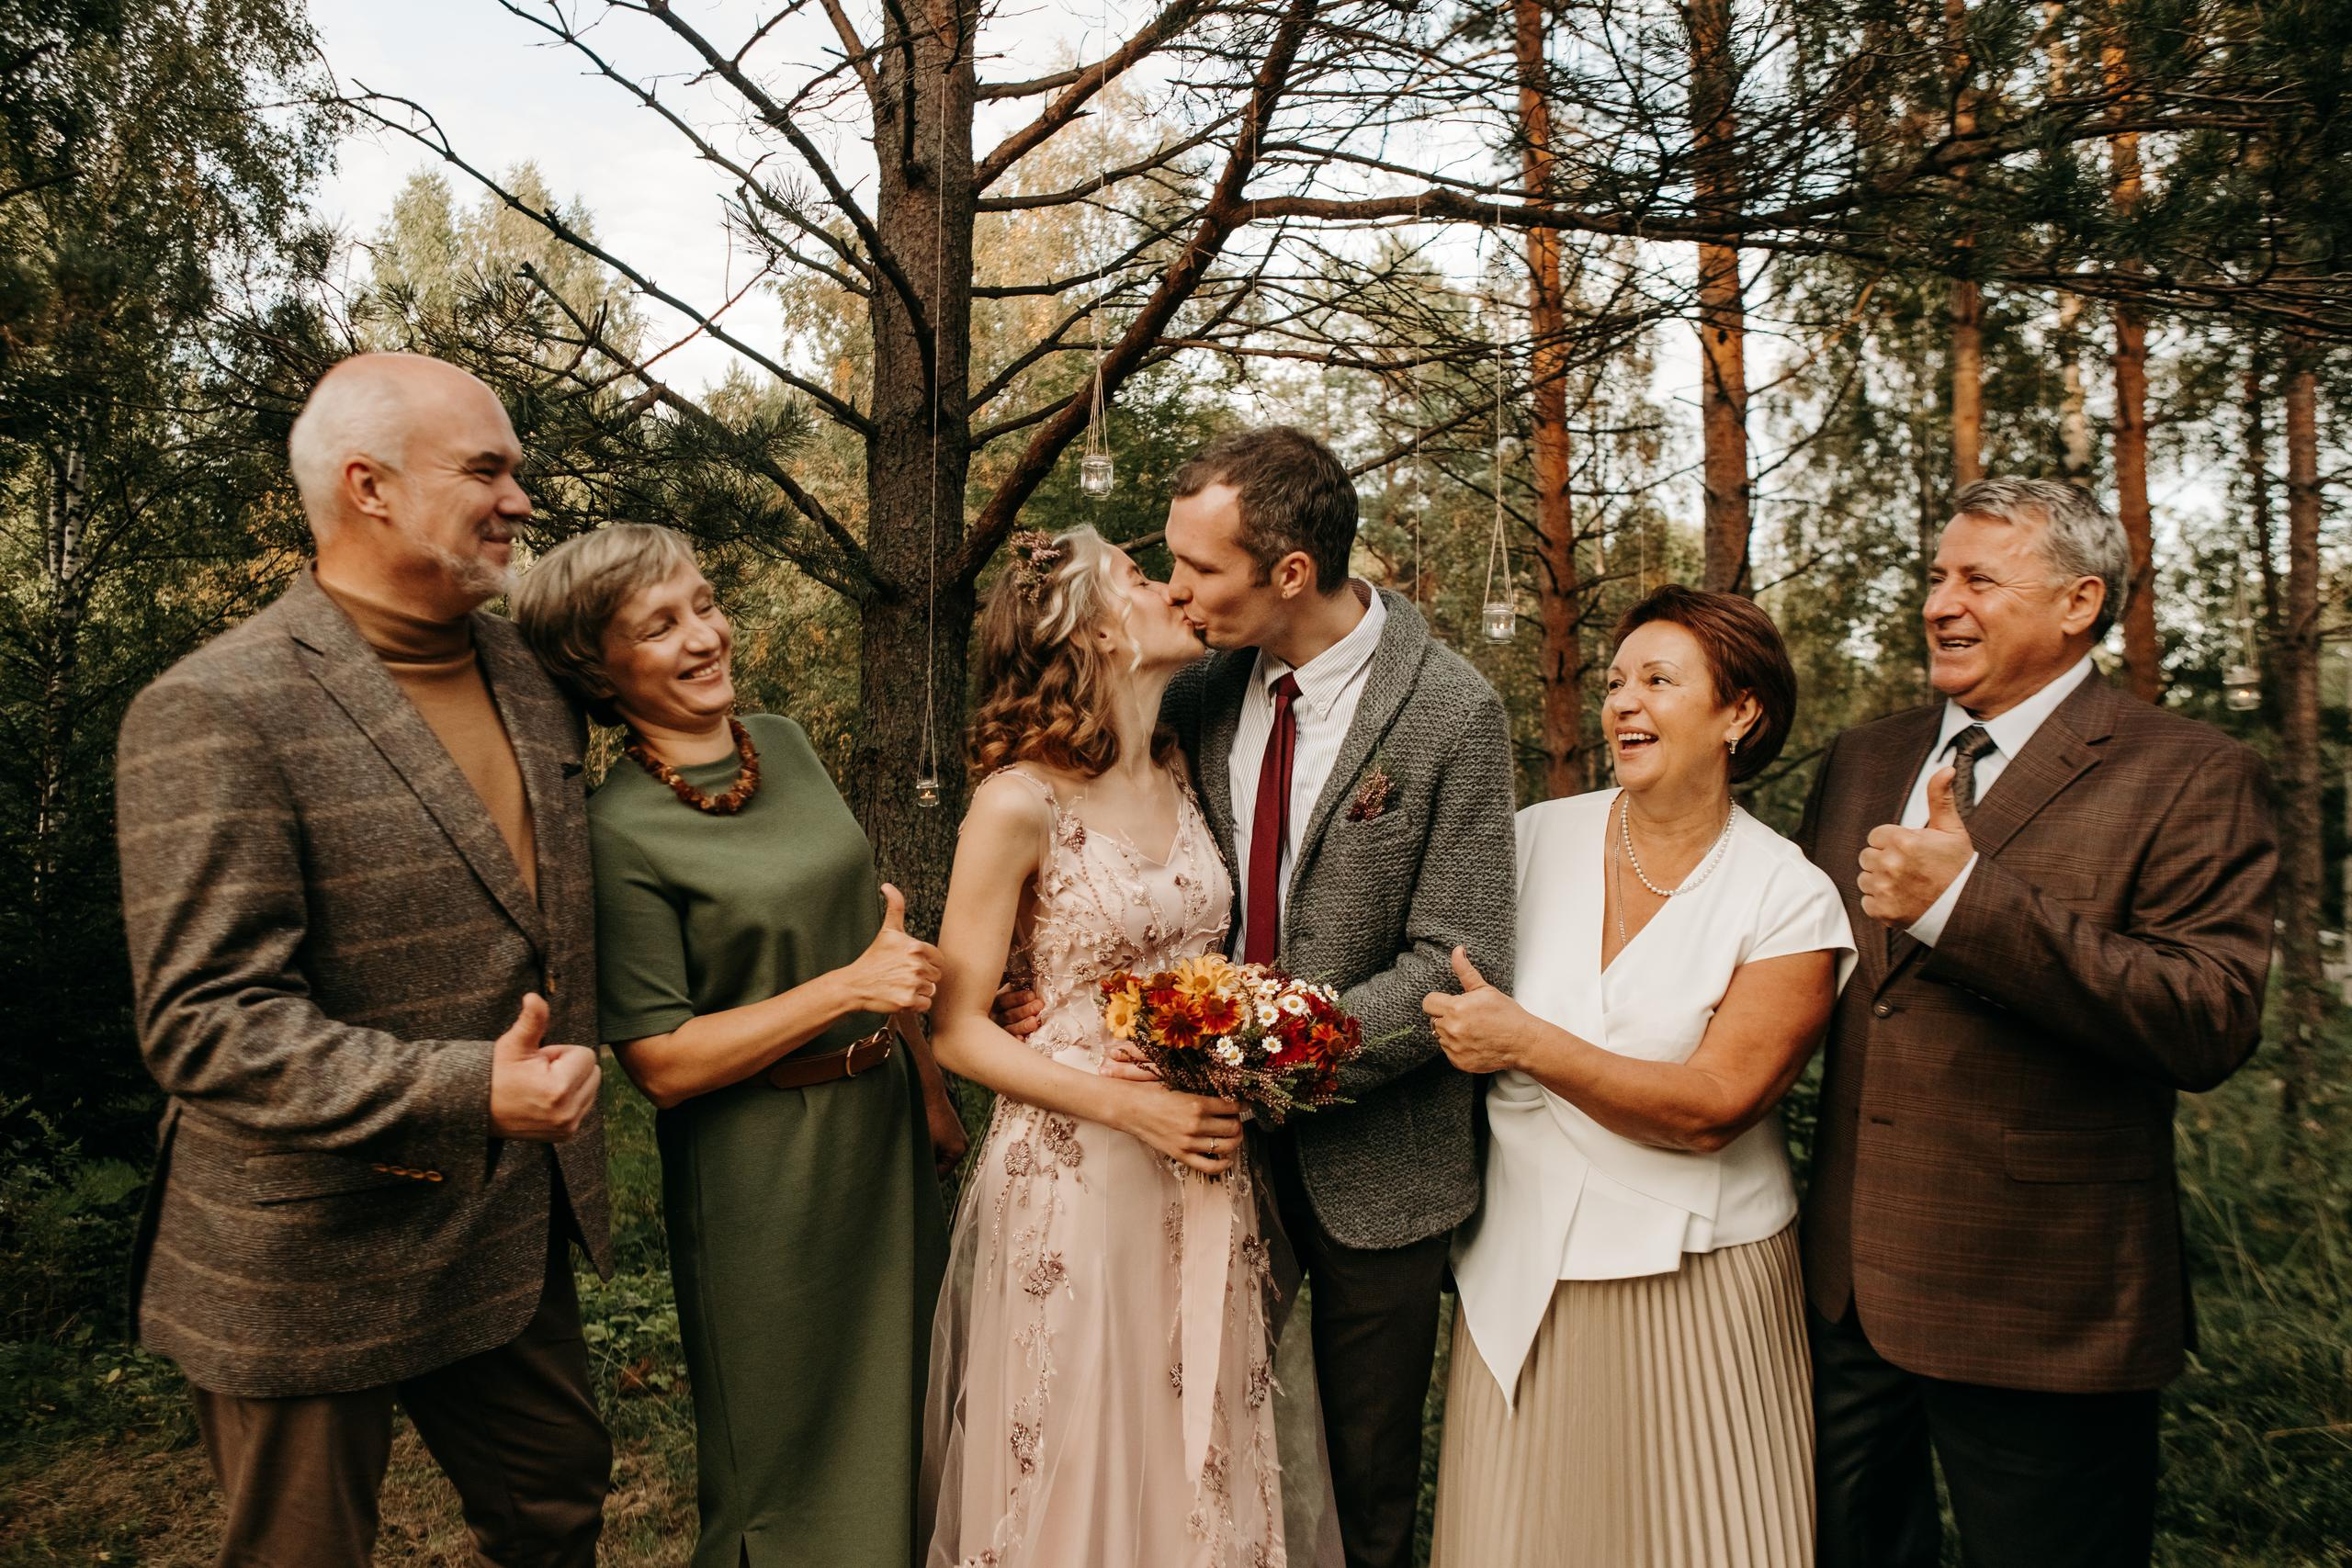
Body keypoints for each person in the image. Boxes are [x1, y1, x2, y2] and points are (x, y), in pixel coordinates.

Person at [114, 352, 612, 1566]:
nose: (522, 498)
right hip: (300, 1251)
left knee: (556, 1511)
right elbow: (204, 1020)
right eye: (487, 468)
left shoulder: (533, 680)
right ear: (369, 487)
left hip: (501, 1231)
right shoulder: (217, 705)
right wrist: (465, 1088)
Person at [1798, 478, 2278, 1568]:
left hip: (2044, 1300)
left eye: (1977, 579)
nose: (1939, 603)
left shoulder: (2190, 772)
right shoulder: (1866, 758)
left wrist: (1966, 906)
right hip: (1846, 1292)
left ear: (2078, 604)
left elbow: (2207, 1018)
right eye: (1933, 576)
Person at [512, 523, 963, 1568]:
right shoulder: (617, 829)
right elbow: (661, 1064)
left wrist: (930, 1093)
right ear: (599, 666)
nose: (705, 635)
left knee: (916, 1401)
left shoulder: (786, 742)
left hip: (882, 1128)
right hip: (762, 1166)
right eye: (661, 625)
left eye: (704, 604)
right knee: (788, 1447)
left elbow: (873, 934)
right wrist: (843, 989)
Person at [922, 525, 1331, 1568]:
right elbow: (959, 1028)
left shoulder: (1181, 767)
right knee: (1081, 1432)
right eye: (1140, 579)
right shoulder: (1018, 802)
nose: (1170, 590)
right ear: (1094, 633)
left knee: (1194, 1435)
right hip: (1075, 1165)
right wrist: (1130, 1104)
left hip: (1197, 1165)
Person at [1424, 585, 1849, 1567]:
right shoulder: (1533, 838)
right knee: (1518, 1538)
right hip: (1522, 1269)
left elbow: (1712, 1110)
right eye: (1616, 681)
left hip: (1701, 1281)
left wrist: (1525, 1044)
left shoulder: (1787, 896)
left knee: (1700, 1534)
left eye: (1659, 681)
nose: (1623, 702)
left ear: (1739, 714)